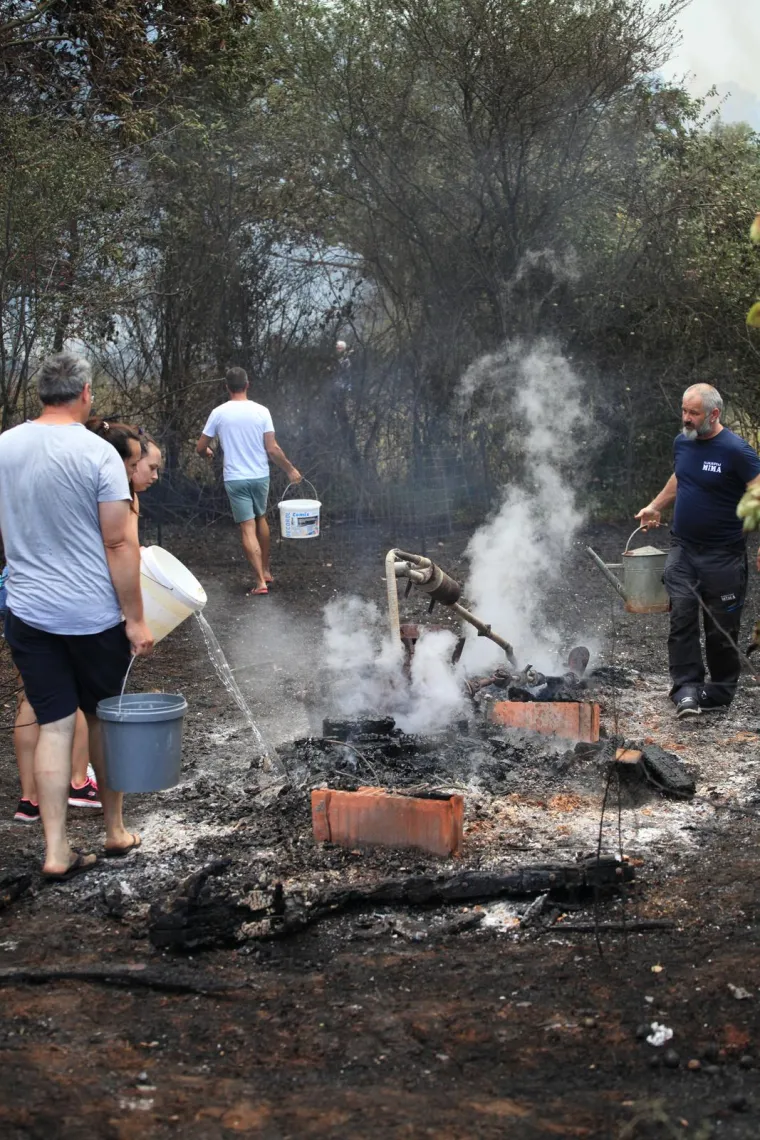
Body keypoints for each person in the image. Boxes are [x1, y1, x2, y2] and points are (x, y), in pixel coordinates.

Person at [0, 352, 154, 880]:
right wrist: (135, 618)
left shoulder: (4, 446)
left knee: (54, 725)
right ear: (86, 392)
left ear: (41, 393)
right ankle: (114, 830)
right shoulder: (98, 453)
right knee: (103, 721)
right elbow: (117, 540)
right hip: (93, 615)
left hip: (28, 609)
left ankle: (56, 850)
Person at [635, 383, 760, 719]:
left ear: (714, 414)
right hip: (684, 550)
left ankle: (718, 694)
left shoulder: (737, 451)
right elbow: (681, 476)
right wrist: (655, 505)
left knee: (721, 629)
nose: (686, 419)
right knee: (681, 618)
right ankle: (686, 690)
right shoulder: (683, 443)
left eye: (694, 413)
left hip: (724, 556)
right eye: (684, 411)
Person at [196, 367, 302, 595]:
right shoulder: (262, 412)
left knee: (247, 527)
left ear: (227, 387)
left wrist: (207, 454)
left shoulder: (219, 413)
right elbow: (272, 449)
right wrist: (290, 470)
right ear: (247, 384)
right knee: (261, 518)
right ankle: (266, 570)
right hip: (260, 475)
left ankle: (260, 582)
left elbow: (200, 447)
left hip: (236, 478)